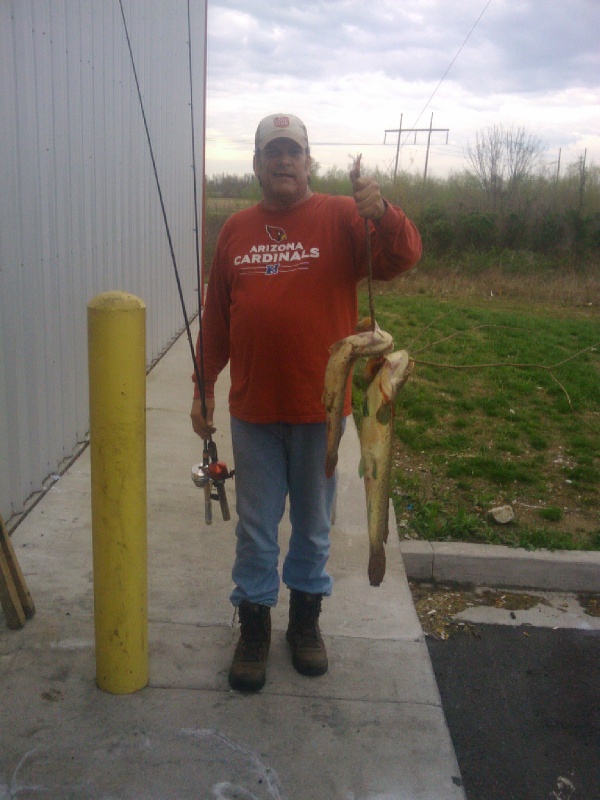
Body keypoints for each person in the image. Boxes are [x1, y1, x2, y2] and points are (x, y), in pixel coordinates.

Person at [191, 113, 422, 692]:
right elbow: (217, 318)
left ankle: (305, 623)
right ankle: (253, 626)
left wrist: (383, 212)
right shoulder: (235, 231)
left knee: (314, 526)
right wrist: (203, 386)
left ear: (309, 162)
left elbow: (402, 256)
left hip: (323, 416)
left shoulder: (343, 216)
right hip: (253, 411)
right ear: (256, 165)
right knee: (255, 528)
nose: (284, 161)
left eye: (293, 151)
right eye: (273, 152)